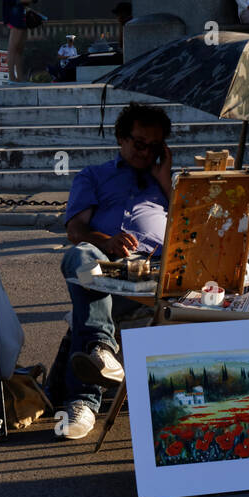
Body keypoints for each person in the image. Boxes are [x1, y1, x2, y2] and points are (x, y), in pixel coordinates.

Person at [55, 102, 173, 440]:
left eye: (154, 147)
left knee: (87, 303)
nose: (145, 152)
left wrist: (166, 183)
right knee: (78, 258)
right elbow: (76, 230)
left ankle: (85, 400)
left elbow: (190, 233)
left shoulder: (166, 186)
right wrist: (106, 242)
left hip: (152, 272)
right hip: (106, 267)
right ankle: (101, 352)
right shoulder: (93, 175)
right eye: (138, 143)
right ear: (122, 139)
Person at [1, 0, 35, 83]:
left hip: (22, 15)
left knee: (20, 48)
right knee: (13, 47)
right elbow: (11, 0)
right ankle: (12, 77)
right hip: (15, 16)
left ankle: (20, 77)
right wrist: (25, 0)